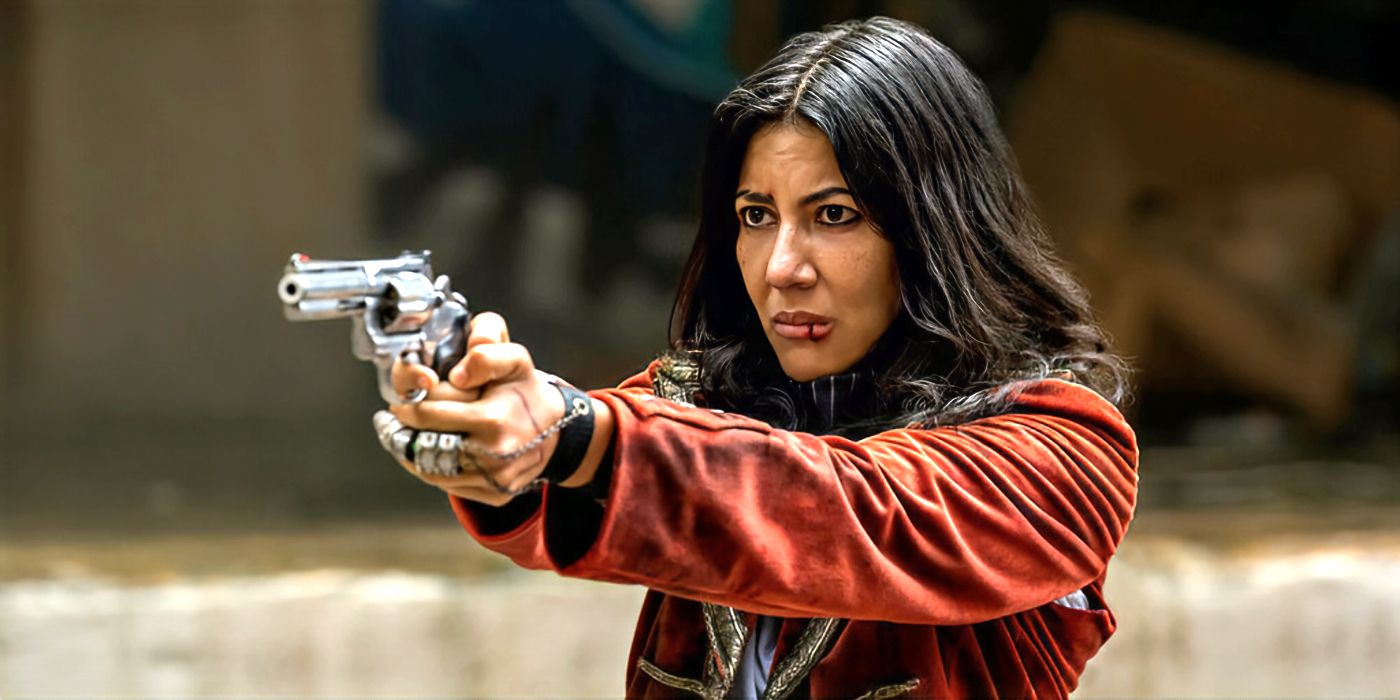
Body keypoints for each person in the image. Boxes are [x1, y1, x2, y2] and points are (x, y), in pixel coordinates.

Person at [380, 16, 1138, 699]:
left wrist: (575, 434)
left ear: (935, 228)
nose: (781, 267)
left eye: (833, 215)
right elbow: (569, 497)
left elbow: (845, 512)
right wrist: (495, 438)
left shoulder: (1066, 448)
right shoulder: (703, 397)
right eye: (755, 215)